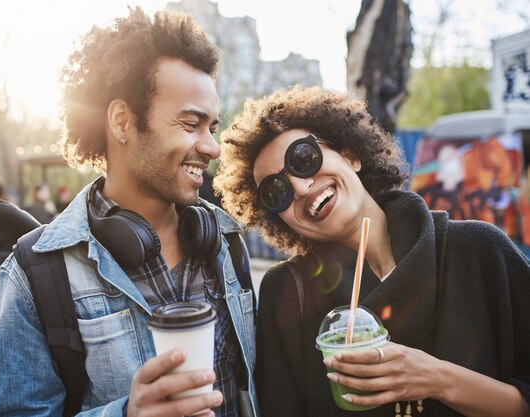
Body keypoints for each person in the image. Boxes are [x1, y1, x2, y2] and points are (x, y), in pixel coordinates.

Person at [0, 7, 258, 417]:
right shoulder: (33, 272)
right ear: (122, 121)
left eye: (212, 128)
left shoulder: (225, 240)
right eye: (190, 124)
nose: (212, 147)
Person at [213, 85, 530, 417]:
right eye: (276, 192)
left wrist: (439, 379)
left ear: (350, 154)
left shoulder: (478, 251)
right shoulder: (287, 293)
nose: (302, 187)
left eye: (304, 159)